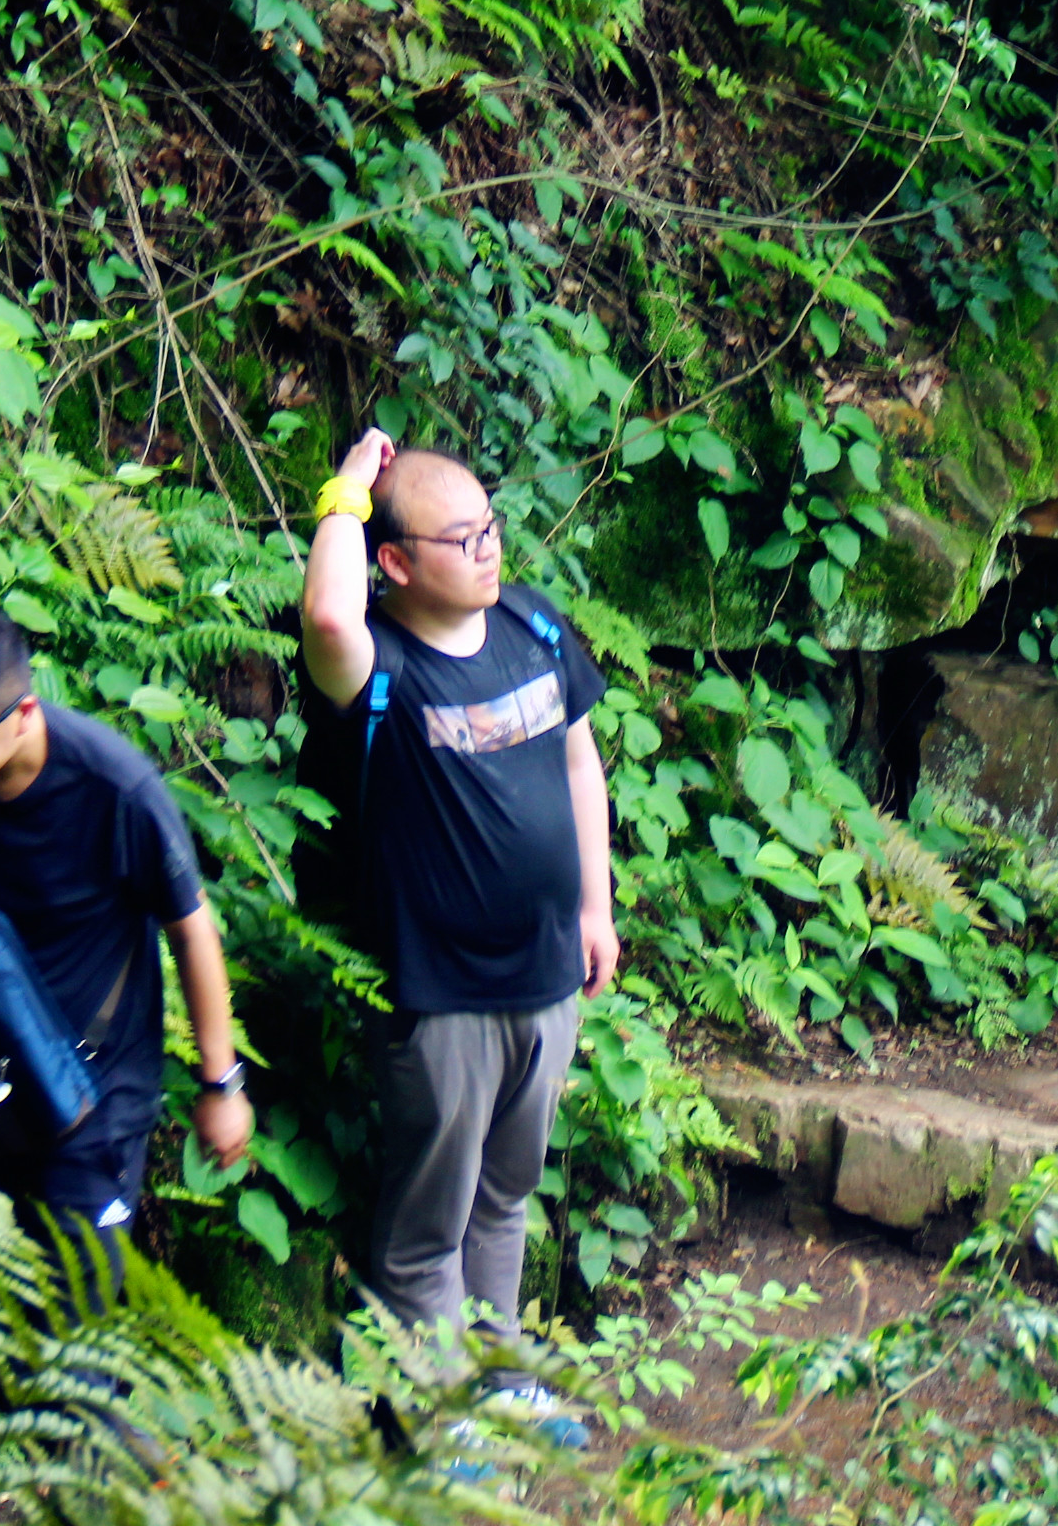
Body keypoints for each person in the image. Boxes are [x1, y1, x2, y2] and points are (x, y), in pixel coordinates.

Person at [296, 428, 619, 1402]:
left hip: (546, 974)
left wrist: (596, 907)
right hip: (438, 993)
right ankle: (442, 1411)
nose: (488, 550)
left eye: (491, 528)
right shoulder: (376, 666)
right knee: (429, 1222)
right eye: (461, 539)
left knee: (506, 1198)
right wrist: (349, 491)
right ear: (395, 563)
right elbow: (326, 612)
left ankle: (502, 1381)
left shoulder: (534, 625)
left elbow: (579, 762)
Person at [0, 604, 254, 1289]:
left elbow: (191, 928)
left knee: (74, 1302)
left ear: (23, 713)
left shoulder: (115, 788)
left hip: (93, 1088)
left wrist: (220, 1084)